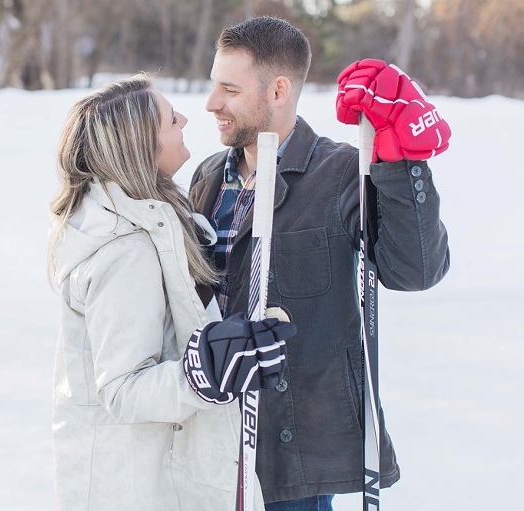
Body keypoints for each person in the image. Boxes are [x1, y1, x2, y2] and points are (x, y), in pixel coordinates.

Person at [189, 17, 451, 511]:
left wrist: (400, 167)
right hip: (213, 439)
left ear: (278, 90)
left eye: (228, 89)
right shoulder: (207, 177)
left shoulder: (337, 175)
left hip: (295, 447)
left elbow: (414, 270)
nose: (211, 104)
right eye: (212, 86)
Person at [48, 74, 298, 510]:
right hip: (136, 486)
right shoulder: (124, 249)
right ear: (139, 145)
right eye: (169, 119)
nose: (184, 117)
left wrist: (235, 342)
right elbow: (123, 388)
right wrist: (204, 371)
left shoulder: (159, 217)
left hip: (164, 472)